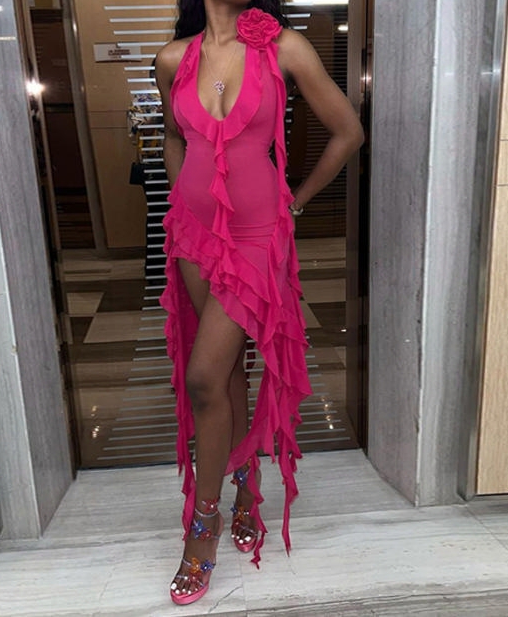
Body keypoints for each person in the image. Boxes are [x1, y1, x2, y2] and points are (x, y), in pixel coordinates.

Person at [155, 0, 364, 605]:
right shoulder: (172, 59)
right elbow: (173, 136)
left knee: (202, 378)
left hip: (255, 236)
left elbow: (348, 132)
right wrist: (182, 202)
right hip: (194, 234)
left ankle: (203, 529)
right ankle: (246, 487)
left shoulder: (284, 48)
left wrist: (293, 203)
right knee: (226, 376)